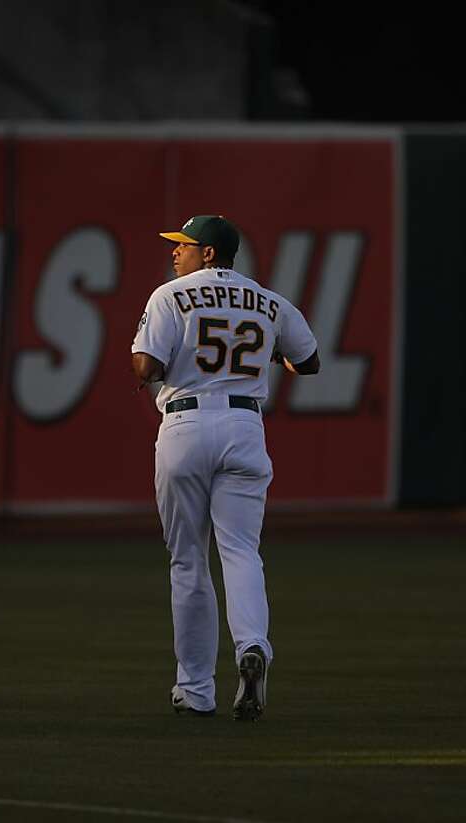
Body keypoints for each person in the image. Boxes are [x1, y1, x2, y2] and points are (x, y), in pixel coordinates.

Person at [131, 215, 320, 721]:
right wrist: (270, 353)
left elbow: (145, 367)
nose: (176, 253)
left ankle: (195, 690)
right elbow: (310, 361)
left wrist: (171, 366)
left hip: (185, 424)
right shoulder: (268, 299)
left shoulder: (170, 295)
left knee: (188, 560)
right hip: (244, 425)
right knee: (241, 552)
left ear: (209, 254)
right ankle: (252, 647)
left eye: (185, 245)